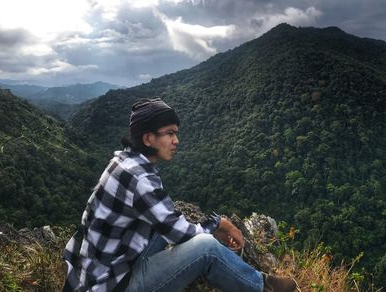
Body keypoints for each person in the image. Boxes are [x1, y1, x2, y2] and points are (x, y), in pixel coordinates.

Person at [63, 98, 296, 291]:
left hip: (99, 271)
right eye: (170, 133)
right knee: (206, 247)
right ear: (148, 138)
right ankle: (262, 287)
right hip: (115, 284)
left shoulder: (123, 161)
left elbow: (165, 219)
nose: (176, 141)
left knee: (171, 222)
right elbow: (181, 234)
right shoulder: (140, 179)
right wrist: (219, 225)